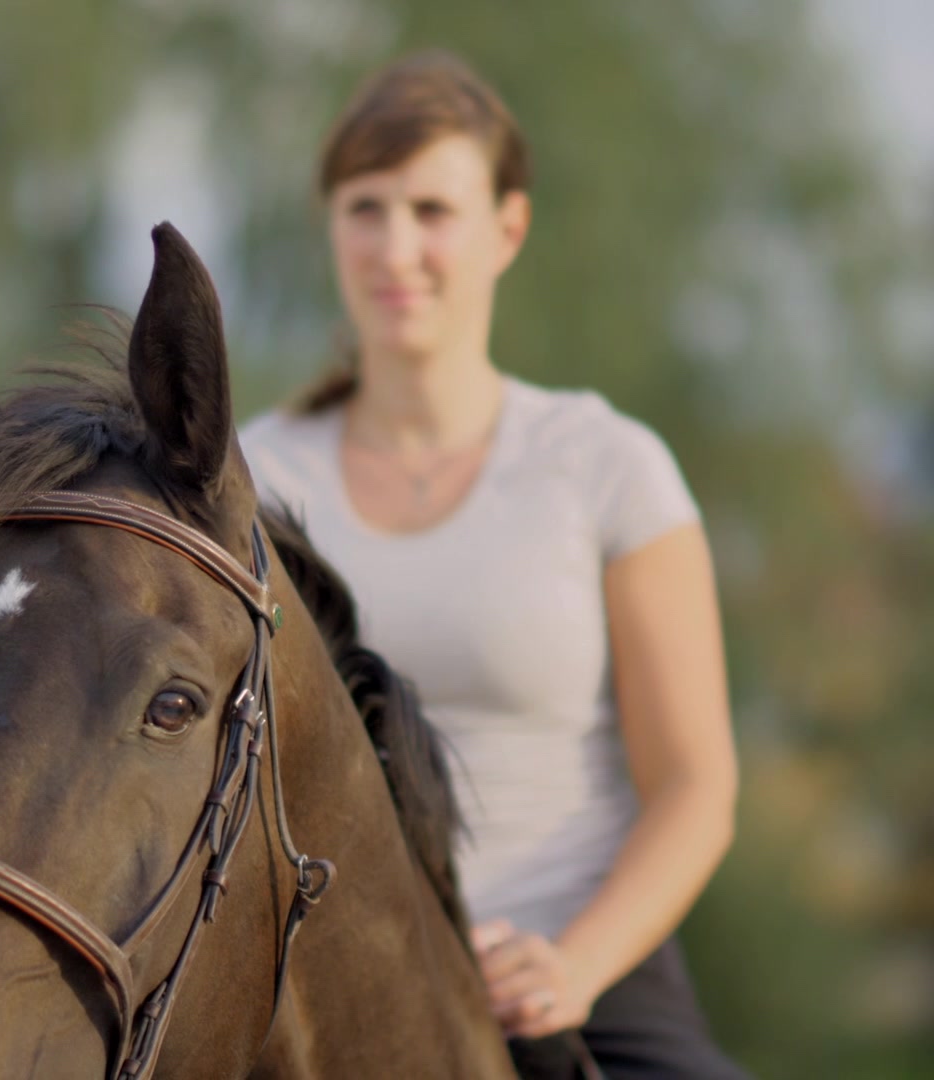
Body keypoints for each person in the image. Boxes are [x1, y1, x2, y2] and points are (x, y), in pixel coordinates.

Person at [238, 50, 747, 1079]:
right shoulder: (249, 479)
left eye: (434, 210)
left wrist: (577, 964)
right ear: (331, 223)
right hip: (318, 992)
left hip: (581, 978)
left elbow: (697, 786)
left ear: (507, 228)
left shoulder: (609, 466)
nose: (396, 247)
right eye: (366, 208)